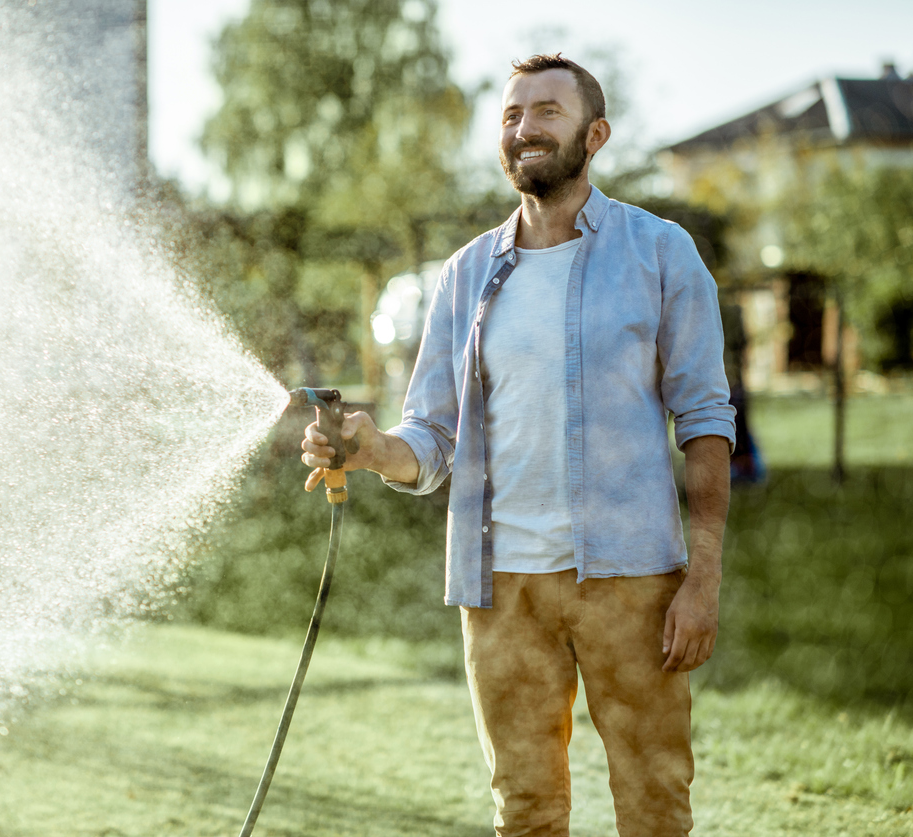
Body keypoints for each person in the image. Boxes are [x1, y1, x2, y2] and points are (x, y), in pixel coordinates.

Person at [301, 54, 735, 837]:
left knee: (655, 802)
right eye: (510, 116)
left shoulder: (662, 254)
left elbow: (705, 421)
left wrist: (701, 578)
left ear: (594, 134)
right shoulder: (465, 275)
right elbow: (430, 438)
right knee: (525, 808)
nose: (524, 128)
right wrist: (368, 450)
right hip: (500, 588)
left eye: (546, 112)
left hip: (632, 580)